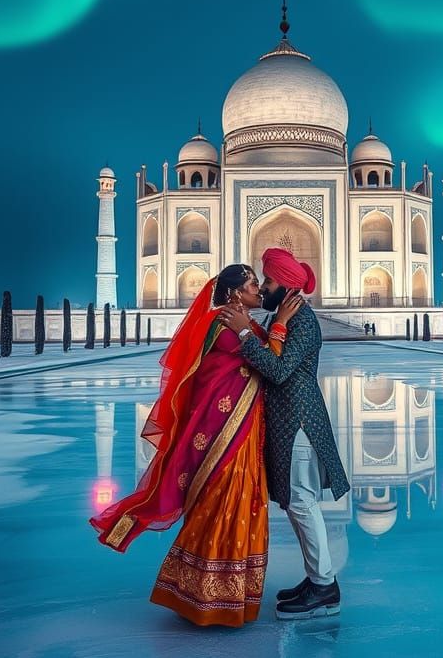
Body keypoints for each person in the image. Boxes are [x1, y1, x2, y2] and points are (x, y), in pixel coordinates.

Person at [89, 264, 303, 628]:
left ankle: (227, 595)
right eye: (254, 285)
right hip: (222, 433)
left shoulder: (243, 326)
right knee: (223, 500)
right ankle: (204, 595)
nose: (260, 291)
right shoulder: (224, 327)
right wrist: (280, 324)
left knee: (239, 501)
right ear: (235, 293)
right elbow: (270, 364)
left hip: (242, 429)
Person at [221, 247, 351, 620]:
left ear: (288, 285)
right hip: (289, 424)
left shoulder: (303, 322)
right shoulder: (285, 316)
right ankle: (317, 578)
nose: (263, 288)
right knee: (297, 504)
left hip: (301, 424)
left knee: (302, 503)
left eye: (269, 281)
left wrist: (244, 333)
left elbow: (277, 371)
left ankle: (325, 586)